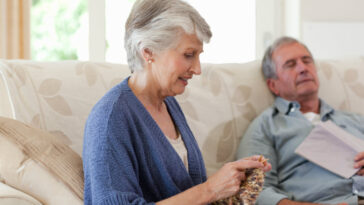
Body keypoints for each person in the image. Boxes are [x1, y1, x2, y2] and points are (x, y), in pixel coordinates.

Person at [82, 0, 271, 204]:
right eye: (188, 55)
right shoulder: (110, 119)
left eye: (198, 56)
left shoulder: (168, 104)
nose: (197, 69)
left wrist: (232, 181)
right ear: (148, 51)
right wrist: (210, 190)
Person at [236, 36, 364, 205]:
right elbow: (254, 190)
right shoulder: (265, 127)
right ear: (273, 85)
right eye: (290, 64)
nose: (303, 68)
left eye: (307, 60)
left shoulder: (355, 120)